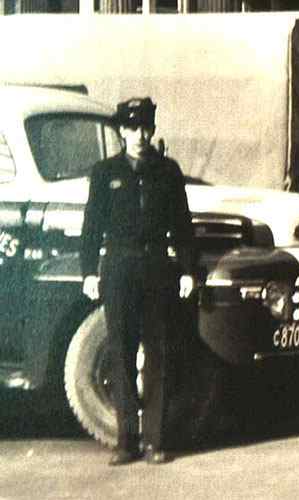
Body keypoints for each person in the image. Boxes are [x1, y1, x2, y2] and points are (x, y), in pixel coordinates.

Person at [80, 97, 195, 465]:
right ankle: (126, 441)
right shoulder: (104, 172)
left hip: (157, 266)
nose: (139, 135)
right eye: (131, 128)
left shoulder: (168, 171)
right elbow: (91, 227)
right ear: (121, 131)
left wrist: (189, 270)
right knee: (121, 351)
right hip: (118, 268)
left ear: (153, 129)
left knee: (158, 353)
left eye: (145, 127)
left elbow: (182, 225)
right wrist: (88, 272)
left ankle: (156, 442)